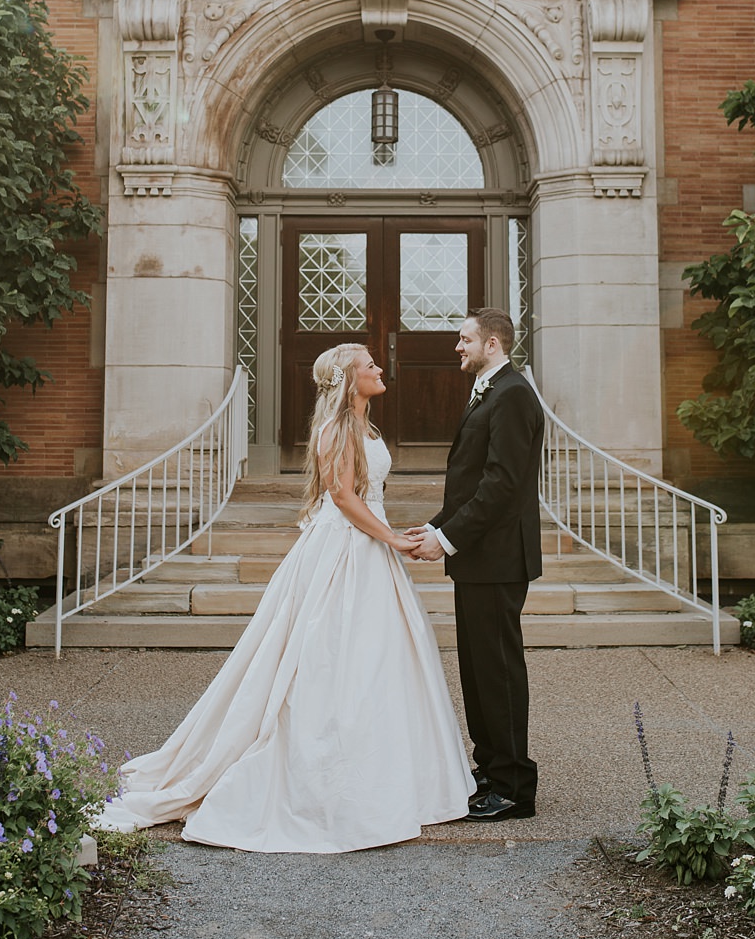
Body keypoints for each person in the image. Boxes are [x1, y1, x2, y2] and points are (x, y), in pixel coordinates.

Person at [97, 344, 474, 852]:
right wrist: (390, 539)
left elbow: (364, 493)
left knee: (379, 657)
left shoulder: (368, 429)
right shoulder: (335, 429)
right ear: (348, 379)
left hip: (370, 550)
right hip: (343, 550)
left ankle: (391, 773)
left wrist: (390, 536)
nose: (380, 368)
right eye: (369, 366)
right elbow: (342, 498)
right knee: (325, 656)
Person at [407, 309, 544, 822]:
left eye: (464, 339)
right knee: (479, 670)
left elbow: (502, 485)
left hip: (498, 558)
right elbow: (471, 482)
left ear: (491, 342)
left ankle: (513, 786)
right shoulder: (494, 389)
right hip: (480, 559)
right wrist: (435, 527)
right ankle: (489, 769)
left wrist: (447, 540)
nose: (456, 347)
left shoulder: (512, 394)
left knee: (498, 672)